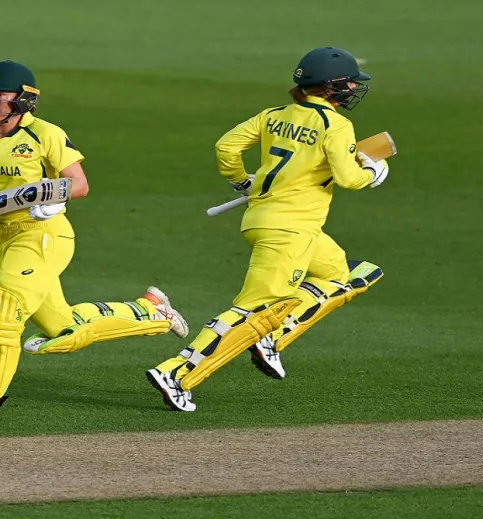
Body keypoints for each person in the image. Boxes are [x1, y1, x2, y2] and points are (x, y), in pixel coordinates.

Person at [0, 60, 189, 439]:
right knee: (62, 327)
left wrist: (54, 197)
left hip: (44, 235)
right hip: (3, 237)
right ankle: (152, 313)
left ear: (23, 99)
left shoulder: (45, 134)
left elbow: (78, 183)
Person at [145, 47, 388, 412]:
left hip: (264, 220)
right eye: (349, 82)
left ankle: (273, 335)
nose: (354, 87)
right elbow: (348, 178)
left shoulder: (274, 115)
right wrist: (372, 172)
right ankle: (177, 373)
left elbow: (226, 147)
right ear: (331, 86)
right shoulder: (336, 125)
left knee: (338, 274)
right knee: (252, 309)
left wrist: (241, 181)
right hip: (290, 231)